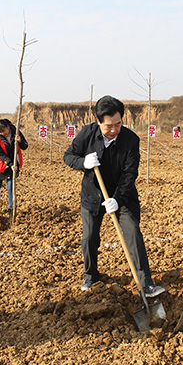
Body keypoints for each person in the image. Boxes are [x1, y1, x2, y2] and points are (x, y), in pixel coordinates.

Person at [63, 96, 165, 297]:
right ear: (98, 121)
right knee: (90, 237)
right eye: (109, 126)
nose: (114, 130)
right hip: (93, 195)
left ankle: (146, 283)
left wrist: (117, 199)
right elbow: (68, 156)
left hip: (123, 195)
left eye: (118, 124)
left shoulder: (130, 139)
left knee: (133, 232)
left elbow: (130, 173)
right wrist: (83, 162)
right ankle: (91, 274)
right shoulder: (87, 134)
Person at [0, 118, 28, 217]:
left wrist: (19, 141)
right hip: (1, 164)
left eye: (3, 131)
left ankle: (11, 208)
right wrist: (10, 164)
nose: (2, 133)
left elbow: (25, 146)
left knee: (10, 187)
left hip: (14, 163)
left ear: (8, 127)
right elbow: (1, 154)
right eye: (0, 132)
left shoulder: (16, 131)